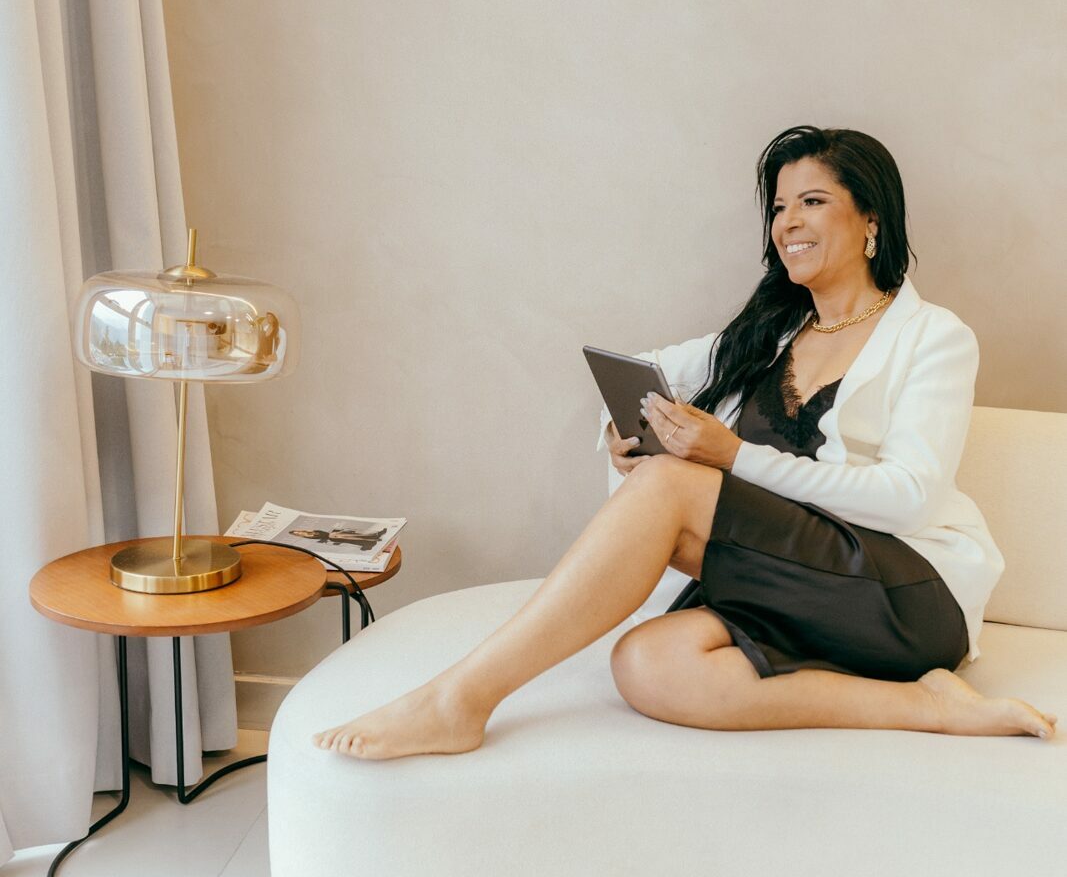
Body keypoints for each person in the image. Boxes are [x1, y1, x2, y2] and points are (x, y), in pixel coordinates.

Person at [313, 124, 1057, 759]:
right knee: (648, 663)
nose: (787, 222)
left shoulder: (934, 337)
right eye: (777, 207)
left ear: (871, 219)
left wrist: (730, 456)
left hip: (903, 597)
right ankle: (927, 705)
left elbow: (907, 497)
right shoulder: (767, 334)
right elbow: (640, 374)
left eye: (812, 201)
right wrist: (623, 435)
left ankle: (458, 701)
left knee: (671, 483)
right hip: (797, 589)